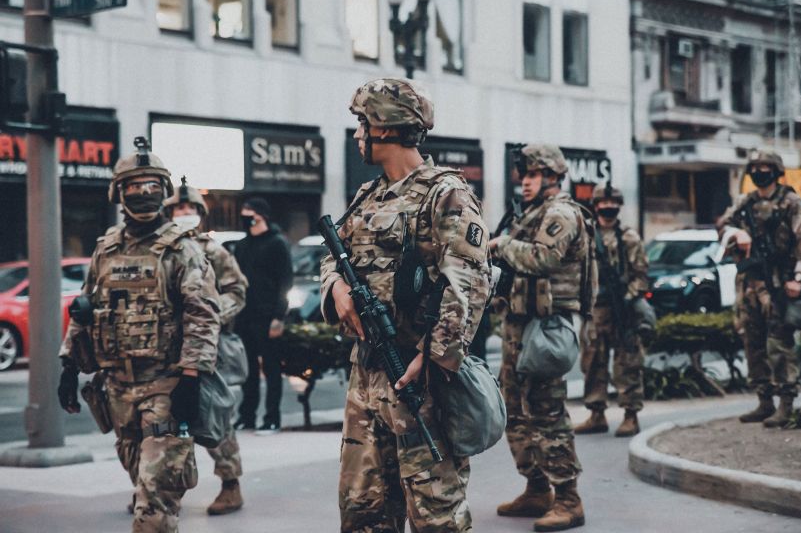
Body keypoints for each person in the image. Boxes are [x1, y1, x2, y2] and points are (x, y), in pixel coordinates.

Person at [320, 77, 490, 532]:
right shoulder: (369, 195)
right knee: (363, 513)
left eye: (362, 123)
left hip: (420, 381)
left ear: (385, 127)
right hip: (366, 378)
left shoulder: (445, 194)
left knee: (436, 516)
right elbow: (332, 256)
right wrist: (335, 287)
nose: (358, 134)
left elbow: (469, 282)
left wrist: (433, 357)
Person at [57, 137, 221, 532]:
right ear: (118, 192)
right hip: (117, 391)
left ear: (164, 191)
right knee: (141, 483)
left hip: (164, 387)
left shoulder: (181, 249)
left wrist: (191, 377)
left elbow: (203, 314)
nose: (144, 193)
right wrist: (68, 365)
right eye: (135, 186)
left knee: (154, 504)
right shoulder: (107, 248)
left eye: (152, 185)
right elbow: (86, 306)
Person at [489, 144, 589, 532]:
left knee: (547, 411)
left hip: (545, 328)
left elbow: (544, 258)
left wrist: (503, 245)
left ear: (552, 176)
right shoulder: (530, 213)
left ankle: (568, 498)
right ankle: (536, 487)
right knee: (514, 410)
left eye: (532, 175)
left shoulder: (561, 213)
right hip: (518, 324)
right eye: (524, 176)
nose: (525, 182)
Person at [164, 177, 248, 515]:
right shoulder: (163, 250)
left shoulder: (213, 251)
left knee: (215, 416)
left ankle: (231, 484)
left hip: (208, 347)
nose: (184, 213)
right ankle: (160, 488)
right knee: (163, 421)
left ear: (200, 212)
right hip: (168, 349)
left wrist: (211, 316)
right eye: (178, 208)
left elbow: (237, 291)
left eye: (189, 208)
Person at [719, 149, 801, 427]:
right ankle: (764, 401)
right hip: (749, 284)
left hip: (778, 283)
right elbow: (723, 225)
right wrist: (736, 232)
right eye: (755, 167)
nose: (759, 172)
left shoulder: (791, 202)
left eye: (765, 167)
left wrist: (798, 278)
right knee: (752, 342)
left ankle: (786, 403)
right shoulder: (745, 202)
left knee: (779, 343)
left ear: (776, 171)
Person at [574, 182, 648, 438]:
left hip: (622, 309)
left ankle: (630, 415)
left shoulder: (629, 237)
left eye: (612, 203)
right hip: (595, 309)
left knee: (627, 363)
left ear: (619, 206)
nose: (608, 207)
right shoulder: (585, 236)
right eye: (603, 203)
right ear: (595, 206)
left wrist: (628, 299)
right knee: (592, 362)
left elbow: (641, 276)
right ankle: (596, 414)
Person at [233, 197, 294, 434]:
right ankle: (247, 416)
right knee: (248, 370)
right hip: (244, 316)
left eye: (249, 214)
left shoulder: (277, 243)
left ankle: (272, 418)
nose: (245, 218)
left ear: (261, 215)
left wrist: (279, 316)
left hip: (268, 316)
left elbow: (285, 281)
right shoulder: (242, 245)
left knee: (271, 369)